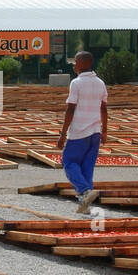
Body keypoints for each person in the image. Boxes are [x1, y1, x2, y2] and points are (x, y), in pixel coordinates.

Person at [56, 50, 108, 214]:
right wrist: (104, 131)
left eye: (76, 61)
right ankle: (84, 204)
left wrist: (62, 134)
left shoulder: (76, 83)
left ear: (84, 63)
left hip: (79, 131)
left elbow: (70, 109)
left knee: (69, 162)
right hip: (95, 133)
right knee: (87, 168)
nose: (74, 64)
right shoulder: (100, 83)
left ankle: (85, 191)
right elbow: (104, 109)